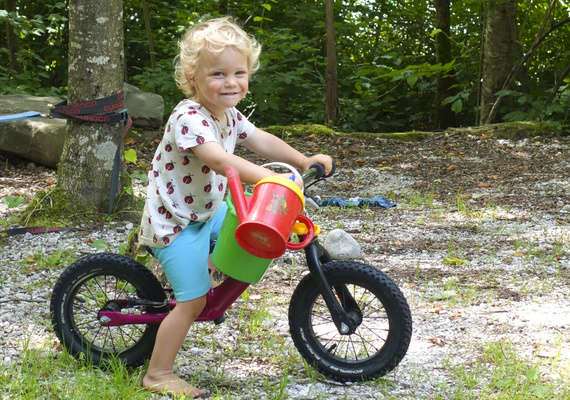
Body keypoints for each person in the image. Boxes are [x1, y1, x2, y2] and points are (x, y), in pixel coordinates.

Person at [138, 17, 333, 398]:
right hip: (175, 223)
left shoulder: (229, 114)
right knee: (192, 303)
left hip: (209, 211)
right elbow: (215, 159)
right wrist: (266, 179)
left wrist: (303, 158)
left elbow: (260, 139)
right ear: (192, 77)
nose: (230, 82)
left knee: (249, 232)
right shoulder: (188, 117)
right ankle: (158, 373)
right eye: (218, 74)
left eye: (239, 73)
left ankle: (207, 271)